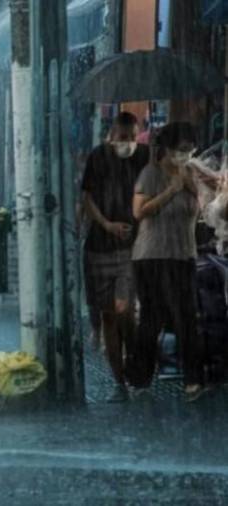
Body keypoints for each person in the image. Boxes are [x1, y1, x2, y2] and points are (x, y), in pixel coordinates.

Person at [131, 122, 207, 402]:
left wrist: (193, 188)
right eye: (182, 150)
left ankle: (193, 381)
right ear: (168, 149)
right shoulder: (151, 174)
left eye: (190, 149)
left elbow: (199, 210)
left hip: (184, 254)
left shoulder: (190, 173)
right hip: (153, 255)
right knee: (153, 319)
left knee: (187, 317)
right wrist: (171, 191)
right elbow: (139, 211)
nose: (186, 155)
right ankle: (140, 378)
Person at [80, 111, 150, 402]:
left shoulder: (146, 156)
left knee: (126, 311)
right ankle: (119, 381)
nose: (128, 143)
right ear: (112, 135)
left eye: (132, 138)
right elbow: (86, 197)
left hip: (134, 245)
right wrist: (107, 224)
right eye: (123, 138)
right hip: (101, 245)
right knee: (110, 315)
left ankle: (135, 364)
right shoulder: (98, 157)